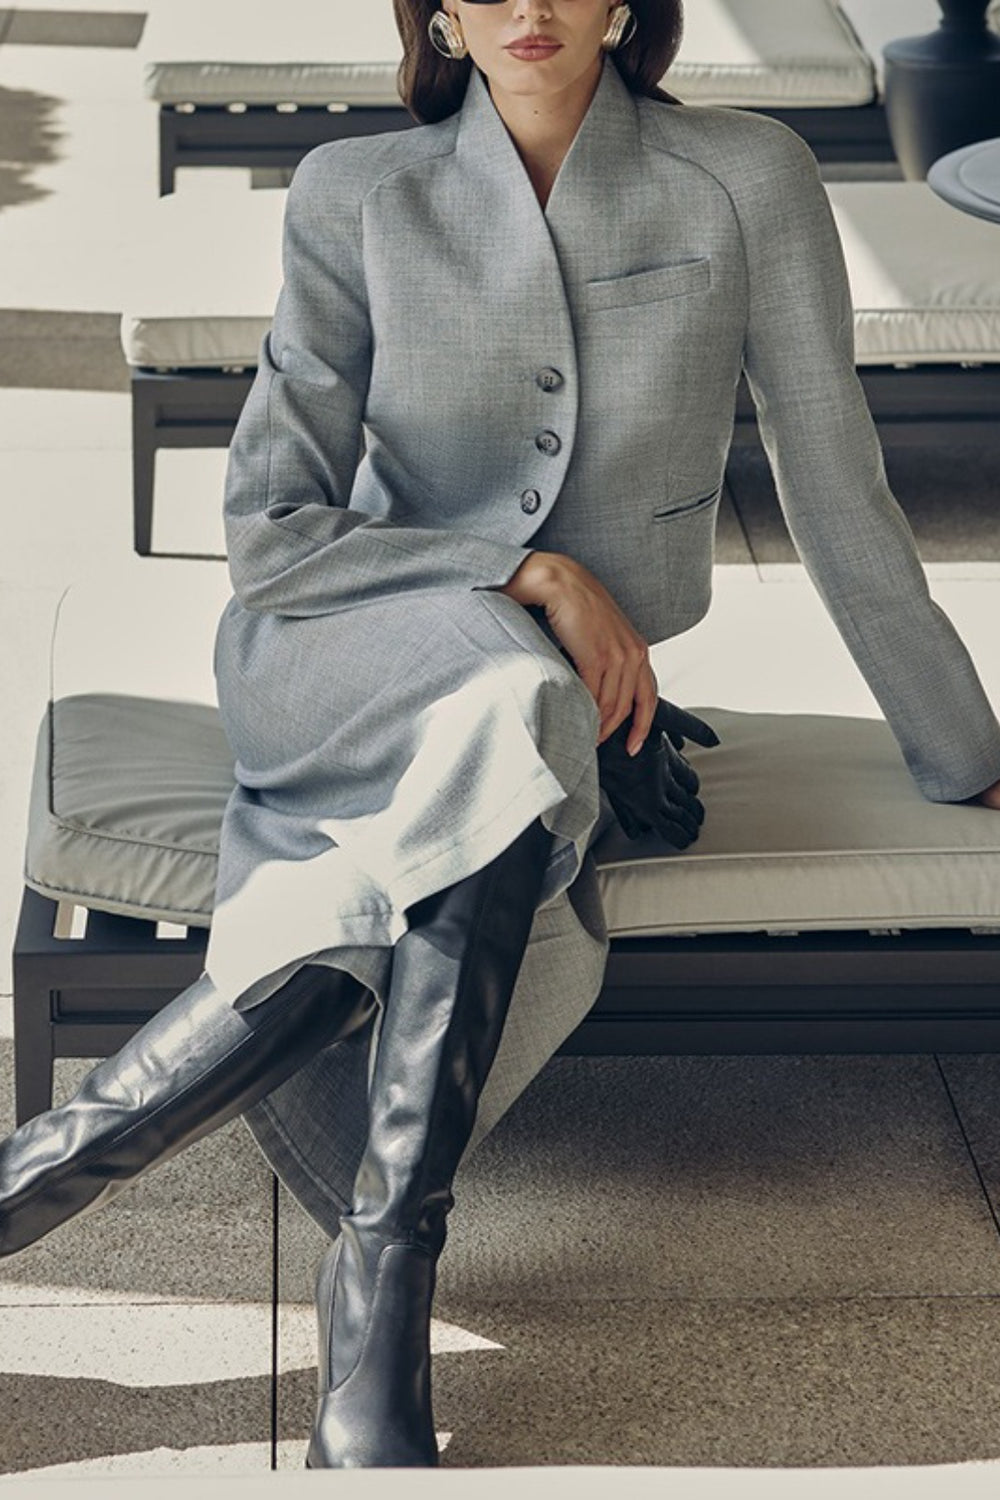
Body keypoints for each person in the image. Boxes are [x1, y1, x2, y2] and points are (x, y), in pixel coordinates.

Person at [2, 0, 1000, 1470]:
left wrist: (964, 750)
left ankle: (158, 1207)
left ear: (623, 5)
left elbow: (836, 478)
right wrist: (527, 571)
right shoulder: (358, 189)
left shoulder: (746, 175)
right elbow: (270, 530)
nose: (530, 7)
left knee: (522, 714)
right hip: (341, 652)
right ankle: (383, 1266)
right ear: (445, 17)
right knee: (529, 702)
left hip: (534, 701)